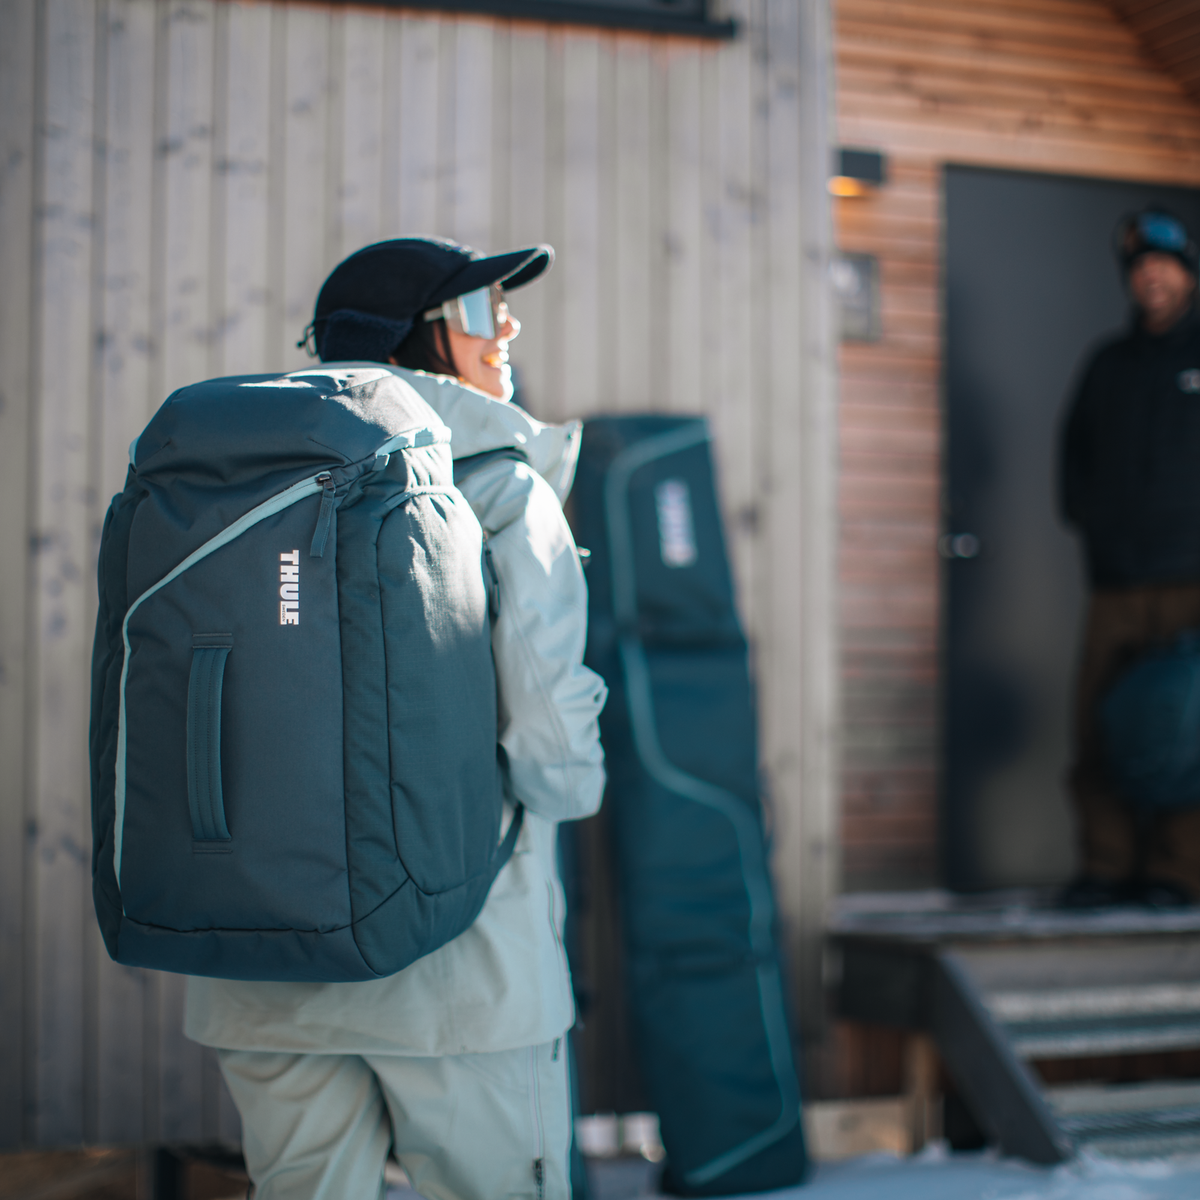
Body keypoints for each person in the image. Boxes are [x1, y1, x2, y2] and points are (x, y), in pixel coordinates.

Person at [184, 237, 607, 1199]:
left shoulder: (229, 483)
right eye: (478, 310)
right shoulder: (498, 485)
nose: (506, 327)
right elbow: (553, 757)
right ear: (408, 341)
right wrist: (581, 777)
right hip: (462, 969)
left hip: (258, 964)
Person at [1059, 208, 1200, 909]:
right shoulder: (1107, 364)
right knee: (1098, 724)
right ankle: (1107, 865)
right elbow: (1072, 456)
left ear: (1188, 276)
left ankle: (1178, 872)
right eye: (1141, 266)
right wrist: (1094, 523)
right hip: (1115, 580)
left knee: (1189, 726)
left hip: (1191, 580)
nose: (1153, 277)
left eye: (1165, 265)